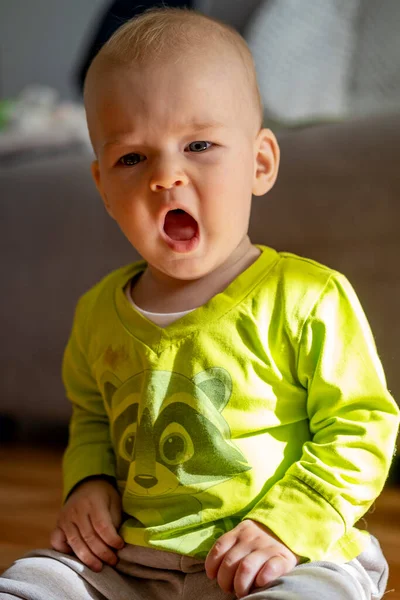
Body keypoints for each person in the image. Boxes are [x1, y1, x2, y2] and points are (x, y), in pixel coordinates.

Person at [1, 7, 399, 600]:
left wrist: (288, 523)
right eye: (131, 158)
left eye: (200, 144)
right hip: (134, 560)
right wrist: (87, 481)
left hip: (279, 554)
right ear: (103, 187)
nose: (166, 176)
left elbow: (362, 424)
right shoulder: (96, 314)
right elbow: (91, 418)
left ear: (260, 162)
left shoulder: (306, 296)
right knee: (35, 579)